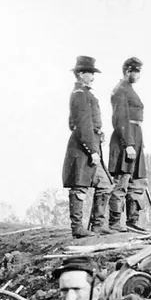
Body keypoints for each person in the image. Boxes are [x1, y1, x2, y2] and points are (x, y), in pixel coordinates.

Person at [62, 56, 113, 238]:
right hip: (82, 148)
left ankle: (98, 225)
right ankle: (77, 228)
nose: (93, 77)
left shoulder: (84, 94)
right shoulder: (80, 94)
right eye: (90, 73)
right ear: (81, 74)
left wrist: (97, 134)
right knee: (79, 186)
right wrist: (92, 149)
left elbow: (77, 122)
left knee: (105, 184)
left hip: (90, 142)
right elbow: (82, 123)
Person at [108, 57, 148, 234]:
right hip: (126, 139)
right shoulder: (120, 90)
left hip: (136, 137)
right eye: (136, 72)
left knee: (136, 182)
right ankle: (115, 222)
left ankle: (133, 220)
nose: (138, 76)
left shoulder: (129, 89)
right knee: (122, 182)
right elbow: (120, 119)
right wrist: (129, 144)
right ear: (128, 71)